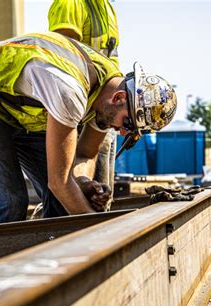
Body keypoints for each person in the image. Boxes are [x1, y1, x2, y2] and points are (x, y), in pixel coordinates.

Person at [0, 31, 177, 225]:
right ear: (119, 97)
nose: (122, 132)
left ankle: (50, 262)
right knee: (10, 201)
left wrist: (83, 182)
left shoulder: (107, 91)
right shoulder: (70, 92)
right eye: (127, 124)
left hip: (24, 113)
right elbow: (59, 182)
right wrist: (96, 230)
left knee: (65, 201)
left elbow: (85, 154)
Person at [48, 0, 119, 203]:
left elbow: (112, 64)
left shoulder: (108, 10)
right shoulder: (70, 3)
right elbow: (65, 64)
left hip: (101, 110)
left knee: (101, 193)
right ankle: (73, 230)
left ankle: (95, 229)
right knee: (68, 189)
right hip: (75, 111)